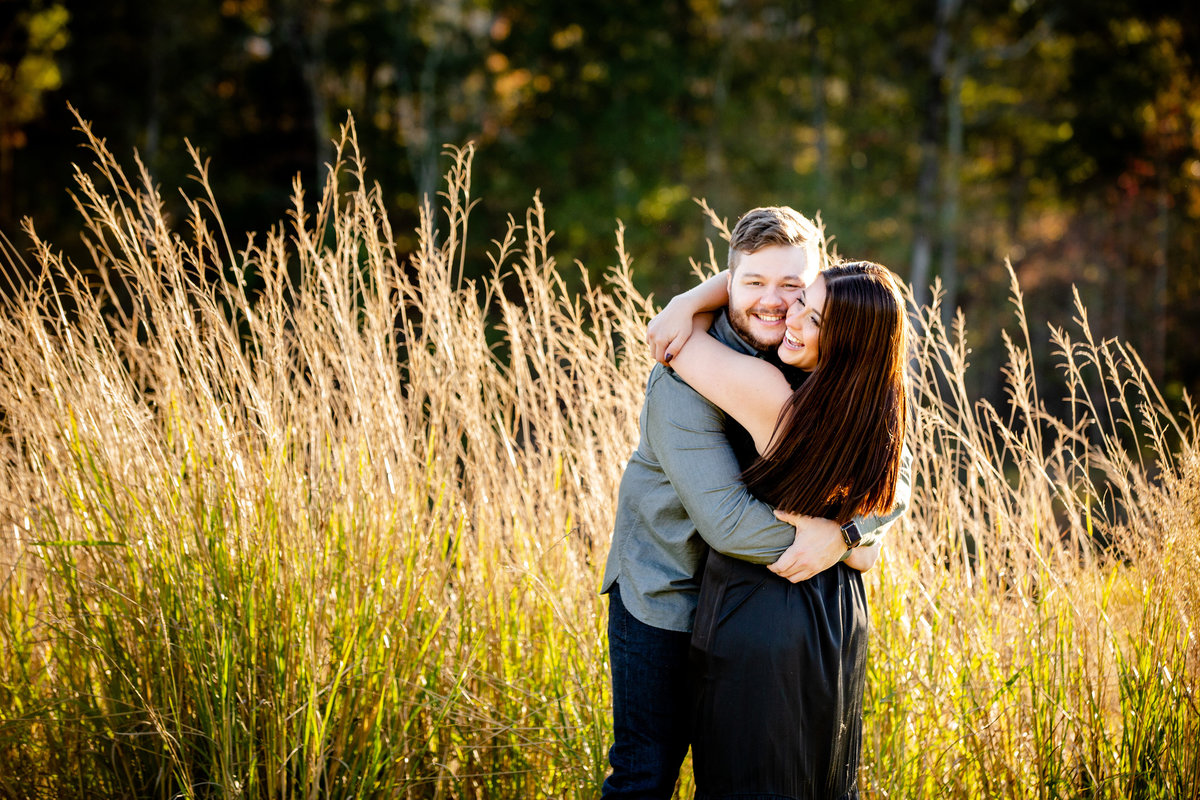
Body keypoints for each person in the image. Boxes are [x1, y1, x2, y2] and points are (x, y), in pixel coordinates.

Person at [599, 206, 910, 799]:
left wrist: (847, 534)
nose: (774, 304)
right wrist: (836, 546)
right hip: (666, 594)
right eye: (752, 284)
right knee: (646, 771)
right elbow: (729, 525)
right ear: (730, 280)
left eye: (792, 288)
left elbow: (895, 471)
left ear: (814, 289)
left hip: (744, 605)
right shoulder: (683, 370)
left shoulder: (812, 350)